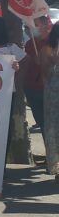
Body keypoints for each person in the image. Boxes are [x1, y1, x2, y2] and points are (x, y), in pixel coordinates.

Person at [20, 16, 52, 134]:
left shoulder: (54, 42)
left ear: (46, 25)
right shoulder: (29, 44)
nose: (30, 28)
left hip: (49, 90)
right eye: (27, 26)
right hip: (32, 89)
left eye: (35, 25)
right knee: (42, 124)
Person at [39, 24, 59, 183]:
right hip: (54, 93)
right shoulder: (47, 50)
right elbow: (45, 73)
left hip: (52, 91)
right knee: (54, 130)